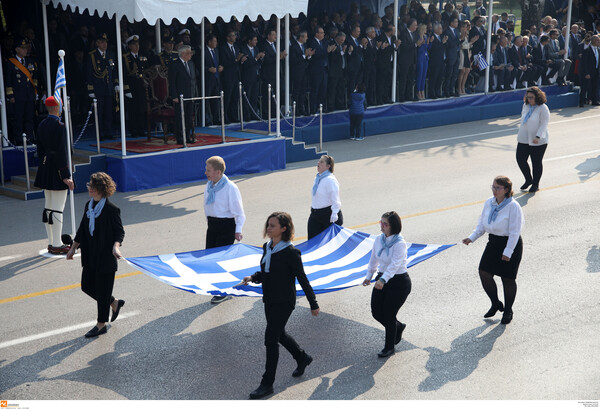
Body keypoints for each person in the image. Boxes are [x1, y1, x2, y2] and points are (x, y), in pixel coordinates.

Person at [240, 212, 319, 399]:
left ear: (284, 228)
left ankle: (267, 383)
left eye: (272, 226)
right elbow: (267, 271)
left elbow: (302, 278)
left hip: (284, 302)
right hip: (270, 299)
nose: (268, 228)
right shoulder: (268, 247)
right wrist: (253, 277)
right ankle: (302, 358)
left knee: (270, 339)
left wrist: (313, 303)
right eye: (268, 225)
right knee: (280, 334)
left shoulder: (291, 252)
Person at [66, 172, 125, 338]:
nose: (89, 189)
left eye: (92, 186)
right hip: (90, 255)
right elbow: (82, 230)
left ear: (100, 188)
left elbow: (119, 233)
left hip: (106, 257)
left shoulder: (111, 210)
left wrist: (116, 247)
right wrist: (73, 248)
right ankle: (113, 302)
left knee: (102, 289)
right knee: (87, 286)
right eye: (89, 185)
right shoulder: (89, 206)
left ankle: (101, 324)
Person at [462, 176, 523, 325]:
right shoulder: (489, 203)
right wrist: (472, 237)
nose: (494, 190)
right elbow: (482, 224)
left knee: (507, 278)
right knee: (484, 272)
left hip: (510, 243)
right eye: (493, 187)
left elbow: (515, 232)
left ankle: (508, 310)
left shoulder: (513, 207)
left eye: (498, 188)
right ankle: (495, 303)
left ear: (506, 190)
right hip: (494, 242)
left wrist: (508, 252)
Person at [362, 211, 411, 358]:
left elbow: (395, 265)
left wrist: (383, 280)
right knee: (376, 312)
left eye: (385, 224)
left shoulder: (399, 243)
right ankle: (398, 327)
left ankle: (389, 347)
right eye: (381, 222)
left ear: (393, 226)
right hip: (382, 278)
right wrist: (369, 276)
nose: (381, 226)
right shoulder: (379, 240)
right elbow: (373, 259)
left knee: (389, 314)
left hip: (398, 282)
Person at [34, 97, 75, 254]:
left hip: (45, 166)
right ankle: (57, 244)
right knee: (57, 208)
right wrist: (66, 174)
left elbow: (39, 150)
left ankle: (51, 241)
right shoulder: (60, 126)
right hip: (57, 168)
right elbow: (62, 152)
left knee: (49, 207)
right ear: (57, 108)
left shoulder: (42, 124)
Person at [203, 156, 246, 303]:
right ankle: (218, 286)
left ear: (219, 172)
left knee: (220, 259)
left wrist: (238, 229)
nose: (206, 172)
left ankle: (223, 291)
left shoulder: (230, 188)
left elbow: (239, 212)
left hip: (226, 226)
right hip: (213, 226)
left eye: (209, 170)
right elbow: (207, 207)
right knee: (210, 258)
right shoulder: (209, 185)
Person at [6, 37, 40, 145]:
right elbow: (8, 80)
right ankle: (18, 138)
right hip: (18, 95)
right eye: (23, 48)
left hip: (29, 94)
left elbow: (34, 78)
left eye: (26, 48)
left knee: (29, 117)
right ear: (17, 50)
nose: (26, 50)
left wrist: (36, 92)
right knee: (18, 118)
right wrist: (10, 95)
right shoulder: (11, 63)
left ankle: (30, 137)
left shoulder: (30, 61)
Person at [516, 87, 550, 193]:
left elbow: (544, 124)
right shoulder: (525, 106)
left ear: (537, 97)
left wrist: (538, 136)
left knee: (536, 162)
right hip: (524, 137)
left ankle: (535, 184)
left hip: (538, 140)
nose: (529, 99)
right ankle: (528, 179)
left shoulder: (543, 108)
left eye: (531, 97)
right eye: (528, 97)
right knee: (520, 159)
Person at [86, 33, 117, 140]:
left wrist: (116, 84)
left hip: (108, 87)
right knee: (99, 112)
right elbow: (89, 72)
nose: (105, 44)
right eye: (102, 42)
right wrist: (90, 88)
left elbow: (114, 71)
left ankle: (108, 131)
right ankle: (99, 134)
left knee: (108, 112)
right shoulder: (92, 55)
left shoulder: (110, 54)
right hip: (98, 88)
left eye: (106, 42)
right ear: (97, 43)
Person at [307, 155, 343, 239]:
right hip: (315, 215)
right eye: (319, 161)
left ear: (328, 166)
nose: (318, 163)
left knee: (330, 244)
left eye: (322, 162)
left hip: (328, 215)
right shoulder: (318, 178)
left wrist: (334, 214)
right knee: (312, 242)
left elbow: (335, 199)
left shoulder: (330, 180)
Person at [169, 45, 197, 145]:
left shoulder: (190, 64)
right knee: (180, 118)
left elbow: (192, 80)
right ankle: (180, 138)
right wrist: (174, 96)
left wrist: (194, 94)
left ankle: (187, 136)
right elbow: (172, 82)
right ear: (183, 53)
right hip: (179, 96)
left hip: (189, 95)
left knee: (188, 118)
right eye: (189, 53)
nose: (191, 55)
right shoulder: (175, 64)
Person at [123, 35, 149, 138]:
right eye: (134, 44)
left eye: (137, 44)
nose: (137, 46)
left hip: (141, 86)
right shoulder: (125, 57)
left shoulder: (142, 56)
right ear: (129, 46)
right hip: (132, 86)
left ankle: (141, 129)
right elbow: (124, 74)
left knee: (142, 109)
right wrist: (126, 89)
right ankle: (133, 130)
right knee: (133, 110)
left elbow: (146, 71)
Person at [579, 34, 600, 107]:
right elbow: (584, 63)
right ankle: (582, 102)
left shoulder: (598, 50)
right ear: (593, 41)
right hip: (588, 72)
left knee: (595, 86)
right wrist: (586, 73)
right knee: (585, 87)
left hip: (596, 71)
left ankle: (594, 100)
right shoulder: (587, 50)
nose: (599, 41)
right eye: (597, 40)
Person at [415, 24, 430, 100]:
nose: (426, 30)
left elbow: (428, 48)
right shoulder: (418, 38)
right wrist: (424, 44)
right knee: (419, 76)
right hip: (420, 58)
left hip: (425, 58)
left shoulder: (426, 36)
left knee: (424, 76)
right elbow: (419, 50)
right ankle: (418, 91)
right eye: (425, 28)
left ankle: (422, 90)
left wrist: (428, 43)